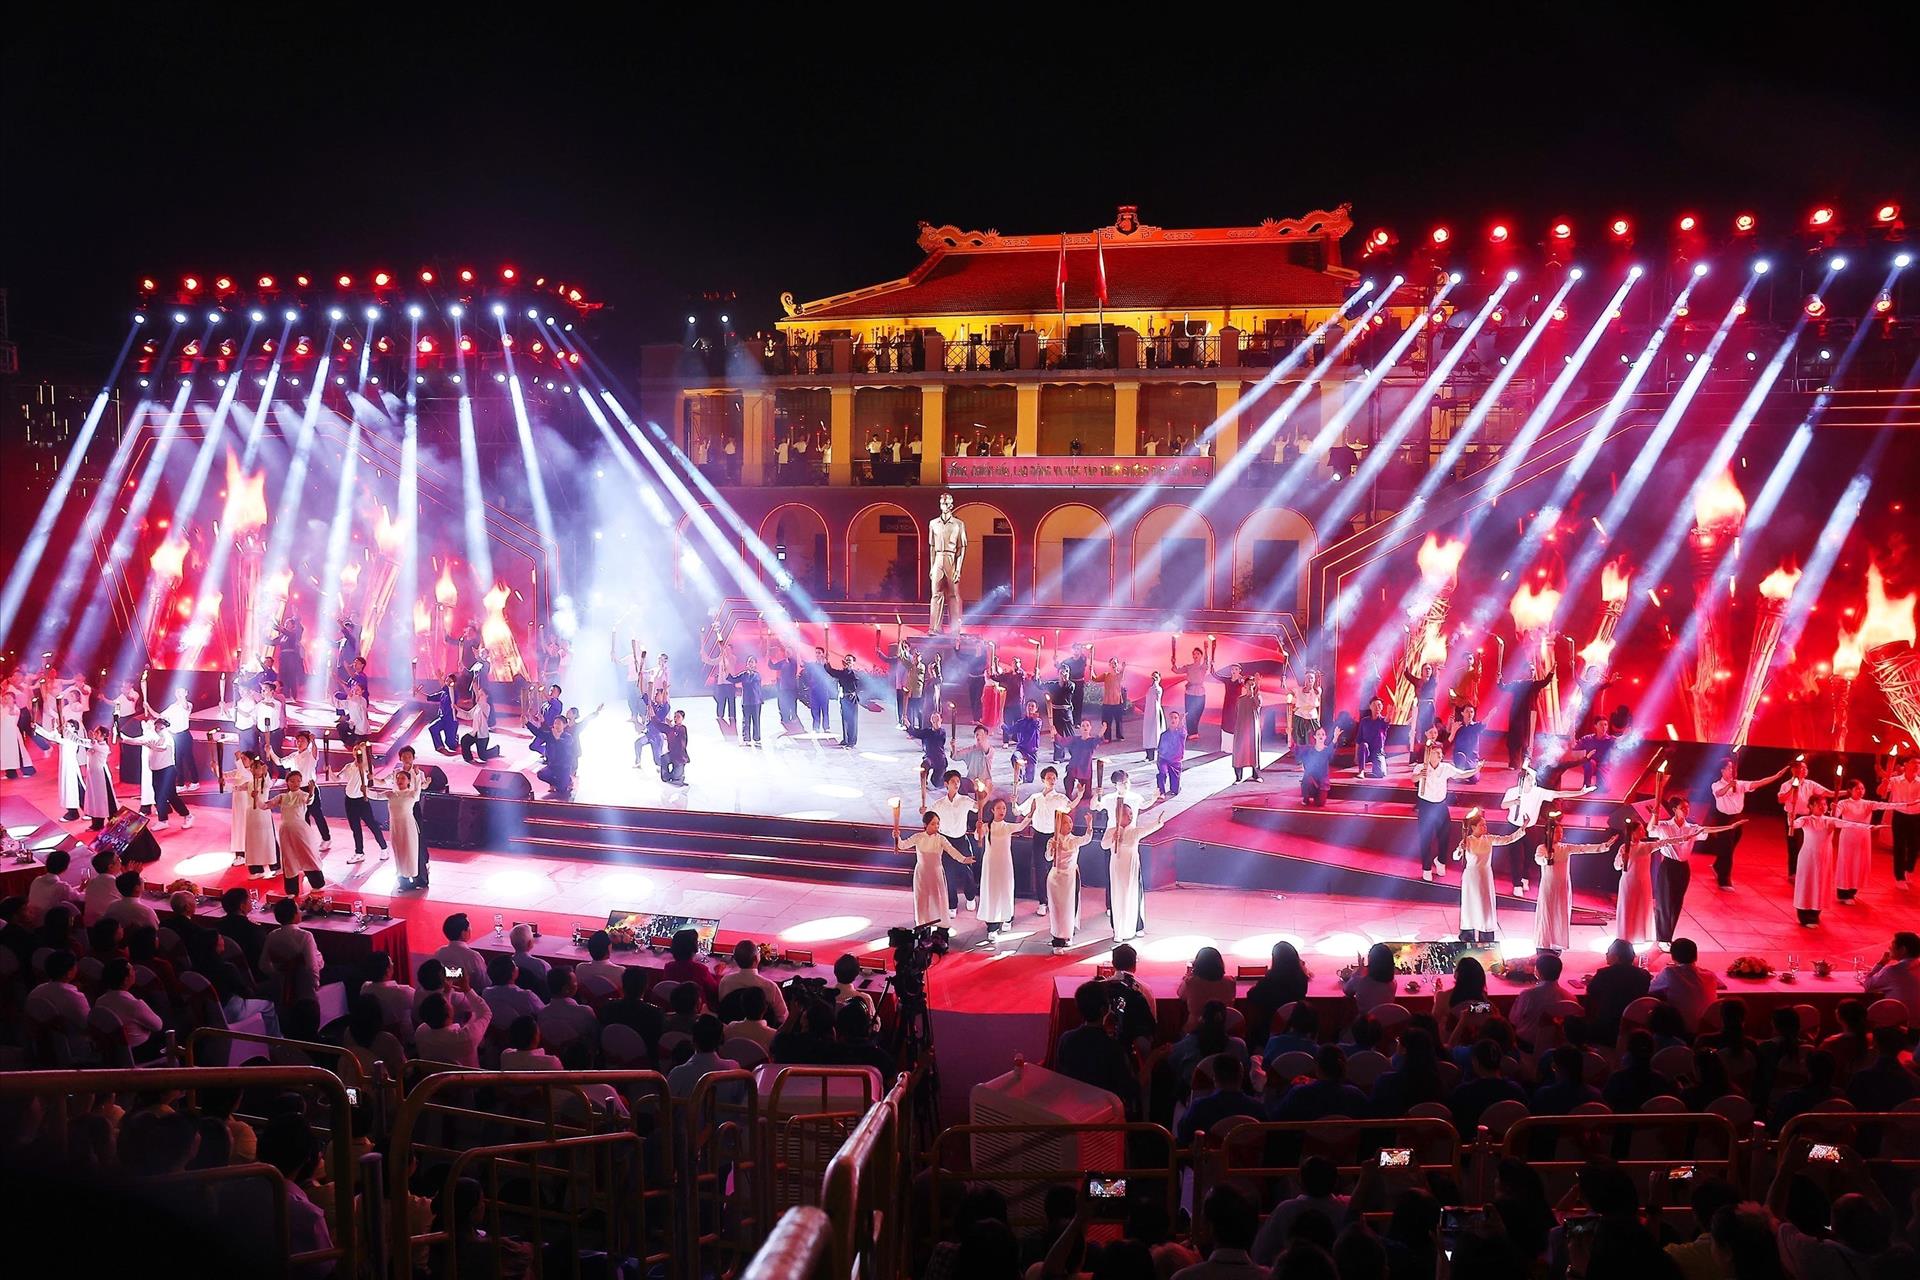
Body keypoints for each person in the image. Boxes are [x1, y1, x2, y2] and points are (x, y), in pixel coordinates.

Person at [1636, 776, 1742, 947]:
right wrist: (1654, 814)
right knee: (1665, 903)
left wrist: (1730, 827)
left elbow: (1708, 829)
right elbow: (1650, 829)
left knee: (1677, 903)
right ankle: (1662, 938)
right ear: (1674, 810)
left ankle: (1668, 937)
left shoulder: (1692, 828)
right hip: (1668, 867)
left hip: (1683, 868)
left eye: (1687, 807)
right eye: (1682, 808)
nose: (1686, 810)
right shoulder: (1665, 826)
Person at [1500, 765, 1592, 897]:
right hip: (1514, 826)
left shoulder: (1538, 792)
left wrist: (1580, 792)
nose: (1532, 782)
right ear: (1521, 780)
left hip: (1530, 827)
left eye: (1533, 779)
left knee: (1530, 854)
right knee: (1516, 856)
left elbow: (1558, 794)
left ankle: (1525, 877)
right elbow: (1503, 805)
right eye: (1529, 779)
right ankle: (1517, 884)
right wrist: (1514, 802)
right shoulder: (1512, 791)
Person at [1706, 757, 1789, 889]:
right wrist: (1729, 786)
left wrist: (1776, 776)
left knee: (1730, 847)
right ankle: (1724, 880)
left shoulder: (1740, 784)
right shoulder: (1717, 784)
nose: (1732, 770)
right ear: (1722, 770)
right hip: (1724, 819)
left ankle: (1717, 866)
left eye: (1732, 768)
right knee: (1726, 849)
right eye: (1729, 768)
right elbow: (1719, 793)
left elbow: (1758, 783)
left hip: (1737, 818)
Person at [1054, 980, 1137, 1112]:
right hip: (1103, 1113)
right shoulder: (1112, 1047)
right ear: (1104, 1009)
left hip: (1072, 1110)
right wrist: (1152, 1059)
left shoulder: (1066, 1039)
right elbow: (1130, 1088)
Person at [1791, 793, 1870, 926]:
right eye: (1819, 804)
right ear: (1811, 806)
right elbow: (1794, 824)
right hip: (1808, 857)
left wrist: (1870, 827)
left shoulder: (1830, 821)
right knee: (1807, 884)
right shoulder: (1806, 819)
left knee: (1821, 884)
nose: (1823, 807)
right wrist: (1791, 819)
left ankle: (1815, 913)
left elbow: (1849, 824)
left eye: (1824, 804)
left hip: (1824, 858)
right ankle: (1804, 916)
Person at [1103, 790, 1166, 946]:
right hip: (1117, 868)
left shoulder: (1134, 831)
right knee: (1118, 896)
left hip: (1131, 867)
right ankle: (1118, 930)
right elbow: (1104, 845)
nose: (1130, 817)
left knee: (1133, 895)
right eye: (1127, 814)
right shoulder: (1111, 831)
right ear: (1118, 816)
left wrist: (1158, 822)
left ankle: (1136, 926)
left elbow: (1148, 829)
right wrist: (1113, 838)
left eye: (1131, 814)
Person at [1451, 808, 1523, 944]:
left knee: (1485, 906)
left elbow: (1507, 839)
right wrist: (1461, 849)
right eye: (1482, 825)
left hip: (1485, 875)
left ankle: (1486, 937)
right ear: (1473, 827)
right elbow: (1455, 856)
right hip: (1471, 877)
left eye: (1485, 824)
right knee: (1470, 904)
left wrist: (1522, 828)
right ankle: (1467, 937)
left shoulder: (1489, 839)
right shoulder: (1467, 840)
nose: (1485, 827)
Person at [895, 808, 972, 933]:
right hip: (922, 873)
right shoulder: (918, 837)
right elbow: (902, 845)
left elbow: (951, 851)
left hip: (936, 873)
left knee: (938, 898)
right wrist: (897, 837)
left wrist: (963, 859)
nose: (936, 826)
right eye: (933, 824)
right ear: (925, 825)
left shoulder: (941, 839)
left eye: (938, 823)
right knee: (922, 899)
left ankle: (941, 925)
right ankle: (923, 924)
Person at [973, 793, 1030, 939]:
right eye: (998, 808)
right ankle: (992, 926)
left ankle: (1007, 918)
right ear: (992, 810)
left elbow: (1021, 826)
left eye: (1004, 808)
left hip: (1005, 864)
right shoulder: (987, 826)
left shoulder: (1007, 826)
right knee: (991, 891)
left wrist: (1031, 813)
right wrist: (978, 829)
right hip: (990, 864)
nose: (1002, 811)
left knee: (1006, 890)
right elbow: (977, 837)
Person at [1835, 778, 1901, 902]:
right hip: (1849, 838)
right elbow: (1834, 817)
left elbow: (1887, 805)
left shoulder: (1867, 803)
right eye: (1857, 789)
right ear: (1850, 790)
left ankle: (1852, 891)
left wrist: (1908, 804)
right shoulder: (1843, 803)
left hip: (1863, 837)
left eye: (1862, 788)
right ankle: (1843, 893)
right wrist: (1833, 809)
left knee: (1859, 863)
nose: (1861, 791)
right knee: (1847, 863)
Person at [1413, 742, 1468, 881]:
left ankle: (1441, 861)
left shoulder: (1445, 768)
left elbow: (1461, 774)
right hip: (1426, 806)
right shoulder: (1421, 767)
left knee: (1444, 836)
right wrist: (1419, 776)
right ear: (1429, 754)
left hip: (1441, 806)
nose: (1440, 755)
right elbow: (1413, 778)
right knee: (1425, 838)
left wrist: (1476, 770)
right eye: (1436, 753)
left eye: (1440, 753)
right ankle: (1426, 868)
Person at [1269, 1045, 1370, 1121]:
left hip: (1305, 1143)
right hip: (1349, 1144)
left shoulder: (1300, 1094)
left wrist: (1288, 1089)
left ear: (1317, 1066)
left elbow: (1275, 1119)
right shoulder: (1356, 1096)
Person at [1449, 1037, 1527, 1132]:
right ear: (1501, 1061)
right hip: (1510, 1141)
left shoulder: (1462, 1093)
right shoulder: (1517, 1092)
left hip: (1473, 1140)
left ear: (1476, 1062)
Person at [1586, 938, 1652, 1044]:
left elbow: (1591, 991)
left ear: (1616, 957)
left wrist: (1594, 981)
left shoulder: (1604, 974)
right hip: (1635, 1026)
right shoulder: (1644, 975)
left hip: (1607, 1027)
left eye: (1608, 952)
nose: (1606, 954)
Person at [1778, 760, 1835, 880]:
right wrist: (1793, 788)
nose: (1805, 770)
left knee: (1807, 844)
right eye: (1802, 768)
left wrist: (1847, 792)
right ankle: (1793, 872)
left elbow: (1829, 793)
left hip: (1807, 817)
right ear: (1794, 770)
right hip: (1792, 817)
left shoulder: (1810, 784)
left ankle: (1805, 871)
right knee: (1794, 845)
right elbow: (1781, 799)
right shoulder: (1786, 785)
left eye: (1806, 768)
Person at [416, 979, 492, 1067]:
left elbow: (438, 1011)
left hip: (434, 1075)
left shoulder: (421, 1031)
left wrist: (447, 992)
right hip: (468, 1076)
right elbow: (486, 1013)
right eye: (449, 1003)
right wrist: (467, 989)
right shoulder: (465, 1038)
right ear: (448, 1013)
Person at [1043, 812, 1092, 947]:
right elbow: (1048, 858)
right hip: (1056, 878)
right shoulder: (1053, 840)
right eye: (1065, 822)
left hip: (1071, 877)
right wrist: (1052, 849)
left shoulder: (1074, 840)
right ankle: (1057, 938)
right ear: (1058, 825)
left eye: (1070, 822)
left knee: (1070, 907)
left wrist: (1089, 825)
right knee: (1057, 909)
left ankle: (1068, 934)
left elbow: (1087, 839)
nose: (1069, 825)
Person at [275, 770, 327, 896]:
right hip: (286, 832)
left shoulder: (303, 795)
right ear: (287, 782)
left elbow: (309, 800)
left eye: (298, 781)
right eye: (292, 781)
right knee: (289, 859)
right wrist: (256, 798)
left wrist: (312, 792)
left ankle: (317, 883)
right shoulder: (282, 797)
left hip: (300, 830)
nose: (295, 783)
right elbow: (265, 805)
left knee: (307, 855)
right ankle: (292, 890)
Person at [334, 742, 386, 864]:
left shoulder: (367, 766)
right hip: (349, 800)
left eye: (360, 750)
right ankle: (359, 852)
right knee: (355, 828)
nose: (357, 751)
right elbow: (336, 779)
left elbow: (367, 767)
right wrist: (329, 771)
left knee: (372, 825)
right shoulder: (348, 766)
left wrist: (365, 751)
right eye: (355, 749)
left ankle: (384, 848)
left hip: (362, 800)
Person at [719, 938, 790, 1027]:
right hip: (764, 1033)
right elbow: (783, 1018)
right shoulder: (770, 987)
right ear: (756, 959)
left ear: (736, 959)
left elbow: (723, 1010)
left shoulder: (725, 982)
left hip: (732, 1031)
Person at [385, 749, 426, 890]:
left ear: (413, 757)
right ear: (400, 758)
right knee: (400, 846)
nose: (407, 758)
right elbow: (385, 784)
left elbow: (420, 788)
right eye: (404, 756)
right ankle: (402, 876)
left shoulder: (418, 773)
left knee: (415, 846)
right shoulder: (397, 772)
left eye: (409, 756)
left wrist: (418, 777)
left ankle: (420, 878)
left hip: (412, 808)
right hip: (398, 806)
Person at [1215, 663, 1263, 783]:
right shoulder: (1240, 700)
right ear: (1244, 686)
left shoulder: (1256, 698)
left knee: (1253, 750)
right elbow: (1237, 712)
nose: (1250, 686)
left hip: (1252, 729)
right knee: (1239, 751)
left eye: (1252, 684)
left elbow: (1258, 704)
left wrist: (1257, 687)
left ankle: (1256, 775)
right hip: (1241, 728)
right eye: (1248, 684)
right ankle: (1238, 777)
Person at [1883, 754, 1920, 888]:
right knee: (1899, 846)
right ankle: (1899, 877)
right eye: (1914, 762)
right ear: (1906, 764)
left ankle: (1908, 869)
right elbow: (1881, 793)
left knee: (1915, 846)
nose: (1917, 765)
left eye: (1919, 763)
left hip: (1916, 816)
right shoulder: (1895, 780)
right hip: (1900, 815)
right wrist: (1884, 782)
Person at [1864, 930, 1920, 1010]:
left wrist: (1881, 963)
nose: (1889, 947)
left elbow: (1868, 985)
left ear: (1903, 949)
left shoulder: (1891, 971)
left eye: (1892, 945)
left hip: (1897, 1016)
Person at [1343, 943, 1399, 1015]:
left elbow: (1347, 990)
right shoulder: (1393, 983)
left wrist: (1358, 972)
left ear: (1370, 960)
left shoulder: (1360, 981)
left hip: (1365, 1021)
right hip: (1387, 1021)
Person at [459, 682, 498, 763]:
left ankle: (496, 750)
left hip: (482, 735)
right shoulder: (477, 706)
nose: (479, 696)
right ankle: (468, 758)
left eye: (481, 694)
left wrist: (476, 690)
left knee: (482, 756)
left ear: (487, 696)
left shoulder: (487, 706)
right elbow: (468, 715)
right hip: (475, 733)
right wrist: (456, 708)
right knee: (464, 740)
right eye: (479, 694)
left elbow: (479, 702)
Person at [1297, 726, 1335, 808]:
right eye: (1318, 734)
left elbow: (1332, 749)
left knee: (1320, 804)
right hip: (1311, 779)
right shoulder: (1309, 749)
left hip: (1322, 782)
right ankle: (1306, 797)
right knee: (1307, 778)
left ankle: (1317, 796)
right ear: (1315, 736)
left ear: (1325, 737)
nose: (1321, 736)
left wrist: (1335, 738)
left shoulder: (1327, 750)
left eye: (1323, 734)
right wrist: (1289, 736)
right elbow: (1296, 748)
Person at [1179, 645, 1211, 739]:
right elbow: (1176, 670)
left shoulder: (1203, 667)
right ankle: (1192, 733)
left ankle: (1194, 731)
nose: (1195, 655)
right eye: (1194, 654)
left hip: (1200, 693)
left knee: (1198, 712)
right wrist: (1173, 662)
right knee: (1189, 713)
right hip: (1190, 693)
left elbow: (1206, 660)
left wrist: (1206, 649)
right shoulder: (1188, 667)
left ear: (1201, 656)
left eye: (1198, 654)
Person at [1155, 709, 1187, 796]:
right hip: (1164, 760)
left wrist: (1181, 722)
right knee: (1162, 773)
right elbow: (1159, 749)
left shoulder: (1181, 734)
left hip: (1175, 762)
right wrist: (1159, 761)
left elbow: (1183, 732)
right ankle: (1161, 791)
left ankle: (1176, 788)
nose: (1173, 720)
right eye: (1171, 718)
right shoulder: (1164, 735)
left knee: (1175, 790)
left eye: (1175, 718)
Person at [427, 673, 460, 754]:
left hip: (451, 721)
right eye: (447, 681)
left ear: (454, 684)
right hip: (442, 719)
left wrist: (439, 677)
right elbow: (429, 697)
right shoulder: (443, 693)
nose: (448, 683)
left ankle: (455, 738)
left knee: (451, 745)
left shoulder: (454, 693)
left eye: (450, 682)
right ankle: (440, 747)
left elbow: (445, 688)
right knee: (433, 728)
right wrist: (418, 692)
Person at [1141, 670, 1165, 761]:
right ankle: (1148, 755)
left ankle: (1158, 754)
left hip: (1156, 713)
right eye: (1153, 677)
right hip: (1148, 713)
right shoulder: (1149, 689)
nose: (1154, 679)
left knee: (1155, 734)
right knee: (1148, 734)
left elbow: (1157, 693)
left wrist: (1156, 682)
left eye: (1156, 677)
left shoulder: (1158, 689)